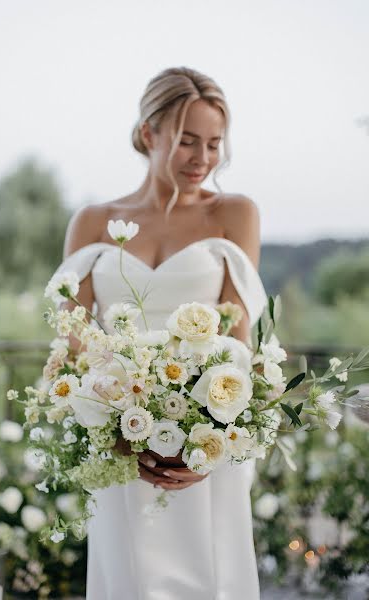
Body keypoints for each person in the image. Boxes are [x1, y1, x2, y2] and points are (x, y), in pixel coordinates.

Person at [56, 66, 267, 599]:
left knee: (209, 577)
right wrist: (121, 431)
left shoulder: (234, 214)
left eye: (215, 143)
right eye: (187, 141)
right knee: (127, 576)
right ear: (149, 134)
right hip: (118, 442)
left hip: (204, 439)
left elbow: (237, 339)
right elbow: (75, 337)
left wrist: (208, 444)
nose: (203, 158)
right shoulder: (94, 220)